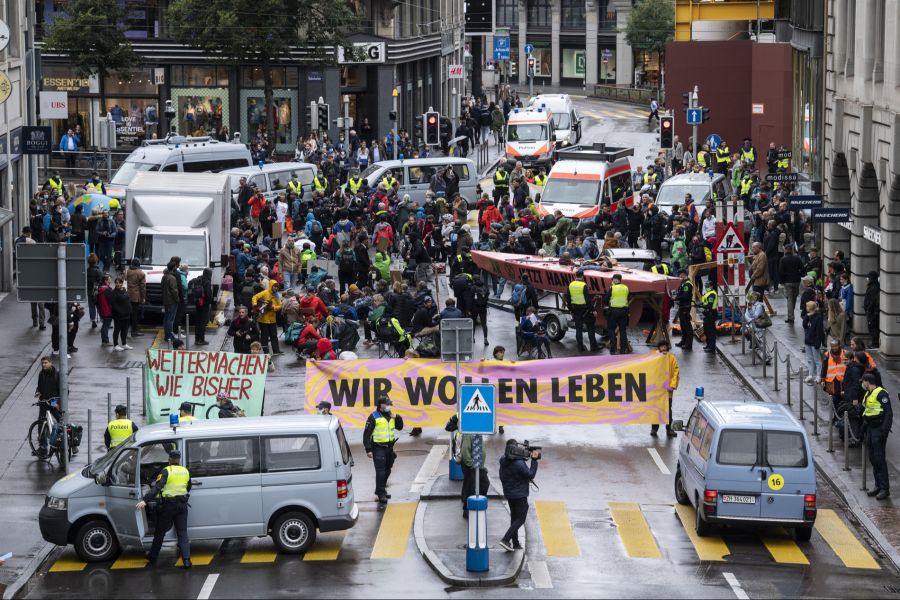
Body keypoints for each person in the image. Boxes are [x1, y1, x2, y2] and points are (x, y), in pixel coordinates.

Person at [136, 450, 193, 568]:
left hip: (168, 506)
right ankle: (187, 560)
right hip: (182, 505)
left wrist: (145, 500)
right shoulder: (185, 471)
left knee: (160, 532)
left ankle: (152, 557)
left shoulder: (167, 470)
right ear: (179, 459)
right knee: (182, 532)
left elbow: (157, 487)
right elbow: (188, 487)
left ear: (170, 459)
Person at [498, 439, 539, 551]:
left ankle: (515, 543)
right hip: (520, 495)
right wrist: (534, 460)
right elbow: (530, 474)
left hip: (509, 493)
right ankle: (505, 539)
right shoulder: (519, 463)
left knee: (514, 518)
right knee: (521, 519)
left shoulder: (503, 460)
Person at [363, 396, 404, 505]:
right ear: (380, 405)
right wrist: (368, 449)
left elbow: (400, 427)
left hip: (389, 448)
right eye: (387, 404)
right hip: (378, 448)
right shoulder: (373, 417)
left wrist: (398, 417)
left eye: (389, 404)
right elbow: (366, 434)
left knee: (388, 470)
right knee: (380, 472)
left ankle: (381, 490)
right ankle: (381, 493)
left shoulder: (391, 415)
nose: (389, 406)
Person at [859, 374, 892, 500]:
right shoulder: (868, 393)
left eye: (863, 382)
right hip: (870, 428)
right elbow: (867, 411)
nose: (862, 384)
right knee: (873, 458)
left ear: (868, 382)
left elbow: (888, 413)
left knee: (879, 459)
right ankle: (878, 485)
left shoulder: (881, 393)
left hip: (879, 429)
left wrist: (884, 431)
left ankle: (885, 489)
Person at [651, 340, 679, 437]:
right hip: (657, 390)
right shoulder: (654, 358)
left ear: (667, 347)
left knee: (668, 410)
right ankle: (654, 428)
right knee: (656, 409)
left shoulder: (672, 358)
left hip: (668, 390)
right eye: (661, 347)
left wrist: (672, 385)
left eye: (665, 347)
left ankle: (669, 429)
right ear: (658, 348)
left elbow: (676, 372)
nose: (663, 349)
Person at [565, 269, 598, 352]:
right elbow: (588, 300)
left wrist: (571, 310)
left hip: (575, 309)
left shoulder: (571, 285)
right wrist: (593, 310)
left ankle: (580, 347)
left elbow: (568, 299)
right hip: (585, 309)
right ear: (583, 276)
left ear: (575, 276)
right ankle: (593, 347)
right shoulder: (584, 285)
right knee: (590, 327)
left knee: (578, 329)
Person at [252, 280, 283, 355]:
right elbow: (255, 297)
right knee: (264, 336)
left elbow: (280, 305)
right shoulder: (265, 292)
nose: (276, 288)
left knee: (274, 335)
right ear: (271, 286)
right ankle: (266, 352)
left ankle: (276, 350)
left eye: (277, 287)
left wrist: (273, 307)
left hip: (272, 319)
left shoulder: (277, 296)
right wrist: (255, 305)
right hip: (263, 319)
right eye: (274, 286)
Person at [605, 273, 629, 354]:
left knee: (611, 329)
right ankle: (624, 349)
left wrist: (608, 304)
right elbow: (628, 298)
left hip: (613, 311)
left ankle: (613, 348)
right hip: (624, 311)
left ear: (615, 280)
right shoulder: (626, 288)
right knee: (623, 330)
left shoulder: (612, 288)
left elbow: (606, 299)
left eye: (613, 279)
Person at [802, 301, 825, 385]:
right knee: (809, 359)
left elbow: (819, 331)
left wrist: (818, 343)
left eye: (807, 306)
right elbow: (804, 325)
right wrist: (807, 317)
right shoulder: (808, 316)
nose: (806, 308)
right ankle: (810, 374)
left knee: (817, 360)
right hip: (808, 341)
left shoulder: (818, 318)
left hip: (814, 341)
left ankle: (818, 376)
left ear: (811, 308)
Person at [675, 270, 694, 351]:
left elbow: (685, 296)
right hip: (682, 306)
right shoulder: (683, 283)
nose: (679, 277)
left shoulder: (688, 284)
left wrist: (676, 298)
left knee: (687, 325)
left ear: (683, 275)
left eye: (680, 275)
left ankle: (688, 344)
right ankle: (683, 341)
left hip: (685, 307)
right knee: (682, 325)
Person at [701, 281, 718, 353]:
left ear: (711, 286)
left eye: (708, 286)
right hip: (707, 314)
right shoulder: (708, 293)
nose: (706, 287)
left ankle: (711, 347)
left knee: (711, 332)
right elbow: (705, 302)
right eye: (706, 286)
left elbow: (710, 305)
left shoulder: (712, 294)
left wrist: (701, 305)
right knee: (706, 330)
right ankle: (708, 345)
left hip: (711, 314)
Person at [864, 271, 880, 347]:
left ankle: (875, 343)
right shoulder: (872, 286)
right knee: (871, 327)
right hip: (871, 311)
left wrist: (869, 309)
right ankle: (874, 342)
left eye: (868, 277)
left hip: (872, 312)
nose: (867, 279)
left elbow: (873, 300)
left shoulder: (874, 287)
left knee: (873, 327)